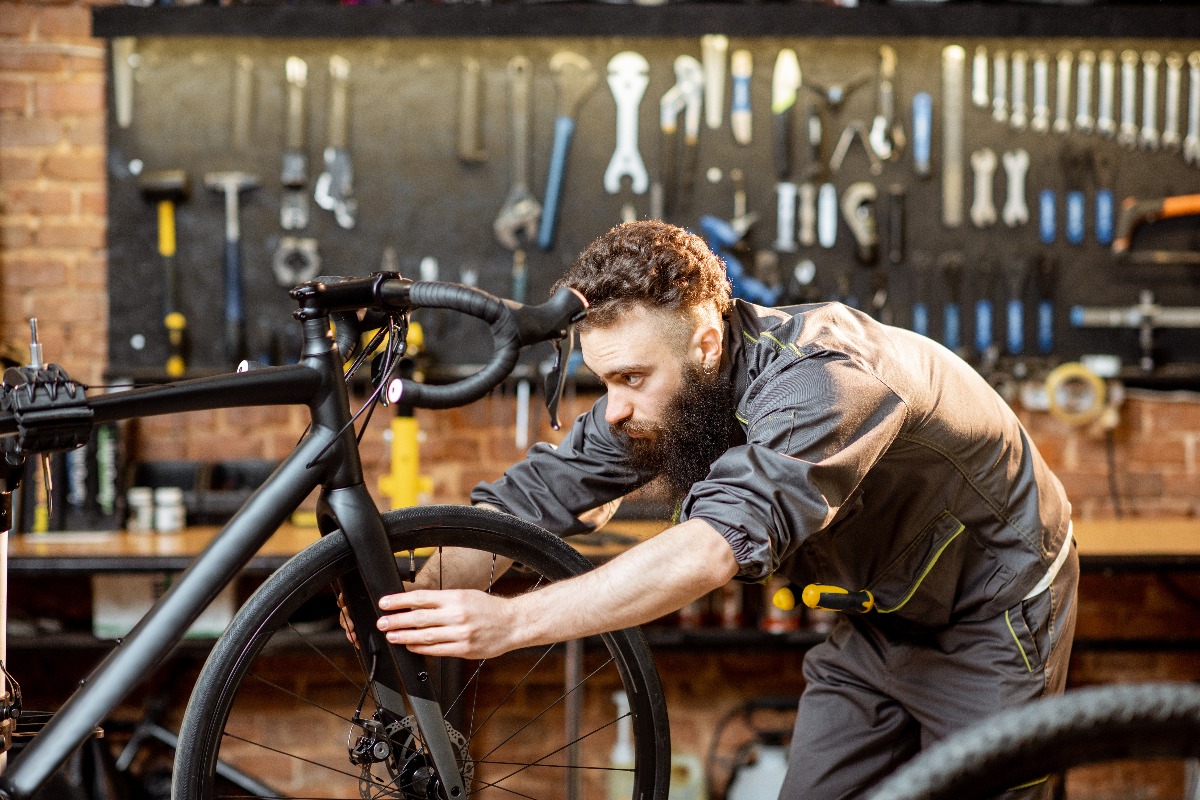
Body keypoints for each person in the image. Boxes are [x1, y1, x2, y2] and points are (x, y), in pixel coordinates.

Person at [362, 220, 1077, 799]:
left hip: (993, 613)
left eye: (632, 377)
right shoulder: (665, 401)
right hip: (879, 622)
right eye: (604, 379)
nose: (616, 406)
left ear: (705, 342)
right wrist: (417, 600)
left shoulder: (824, 380)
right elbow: (537, 499)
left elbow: (710, 549)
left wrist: (513, 622)